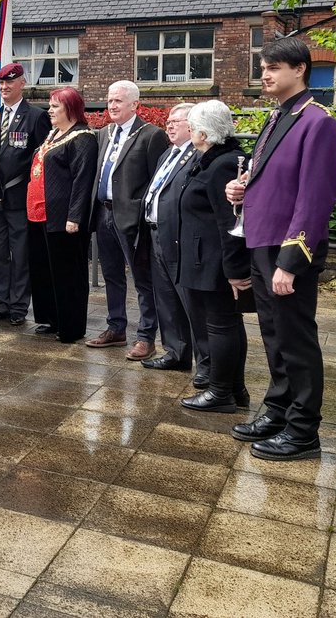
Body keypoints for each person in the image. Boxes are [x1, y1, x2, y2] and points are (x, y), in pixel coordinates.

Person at [226, 36, 336, 460]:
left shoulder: (319, 122)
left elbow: (315, 199)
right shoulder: (278, 117)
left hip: (286, 250)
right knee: (274, 336)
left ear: (299, 70)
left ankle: (302, 430)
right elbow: (272, 178)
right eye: (263, 67)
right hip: (261, 240)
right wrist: (242, 190)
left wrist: (291, 262)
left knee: (296, 340)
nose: (265, 74)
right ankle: (277, 409)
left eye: (274, 67)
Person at [170, 100, 253, 412]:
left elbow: (230, 222)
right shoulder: (212, 160)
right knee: (225, 324)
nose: (189, 132)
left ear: (203, 134)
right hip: (203, 258)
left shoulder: (224, 165)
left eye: (191, 128)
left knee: (221, 325)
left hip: (214, 262)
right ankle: (234, 389)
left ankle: (221, 392)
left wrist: (235, 270)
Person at [87, 80, 169, 356]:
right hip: (103, 214)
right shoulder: (104, 134)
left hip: (132, 219)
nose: (112, 105)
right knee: (111, 274)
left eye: (118, 101)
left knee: (142, 278)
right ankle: (116, 327)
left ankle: (146, 335)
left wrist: (138, 209)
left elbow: (156, 180)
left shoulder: (151, 136)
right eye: (110, 100)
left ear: (135, 104)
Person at [26, 87, 97, 343]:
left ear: (70, 109)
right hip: (40, 214)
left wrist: (75, 217)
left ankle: (71, 326)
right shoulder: (54, 134)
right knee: (45, 270)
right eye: (50, 105)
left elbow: (82, 180)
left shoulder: (82, 138)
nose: (50, 111)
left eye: (55, 106)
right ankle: (52, 318)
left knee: (68, 274)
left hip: (63, 218)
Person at [0, 62, 51, 327]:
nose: (4, 88)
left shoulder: (35, 116)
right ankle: (2, 301)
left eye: (9, 83)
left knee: (20, 254)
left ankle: (19, 306)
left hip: (21, 198)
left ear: (22, 83)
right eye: (1, 84)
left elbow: (42, 158)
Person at [141, 103, 207, 376]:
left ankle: (206, 365)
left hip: (180, 237)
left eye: (176, 121)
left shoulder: (197, 155)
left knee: (190, 302)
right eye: (168, 120)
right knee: (165, 296)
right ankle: (175, 352)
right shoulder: (168, 153)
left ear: (192, 126)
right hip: (157, 231)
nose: (169, 125)